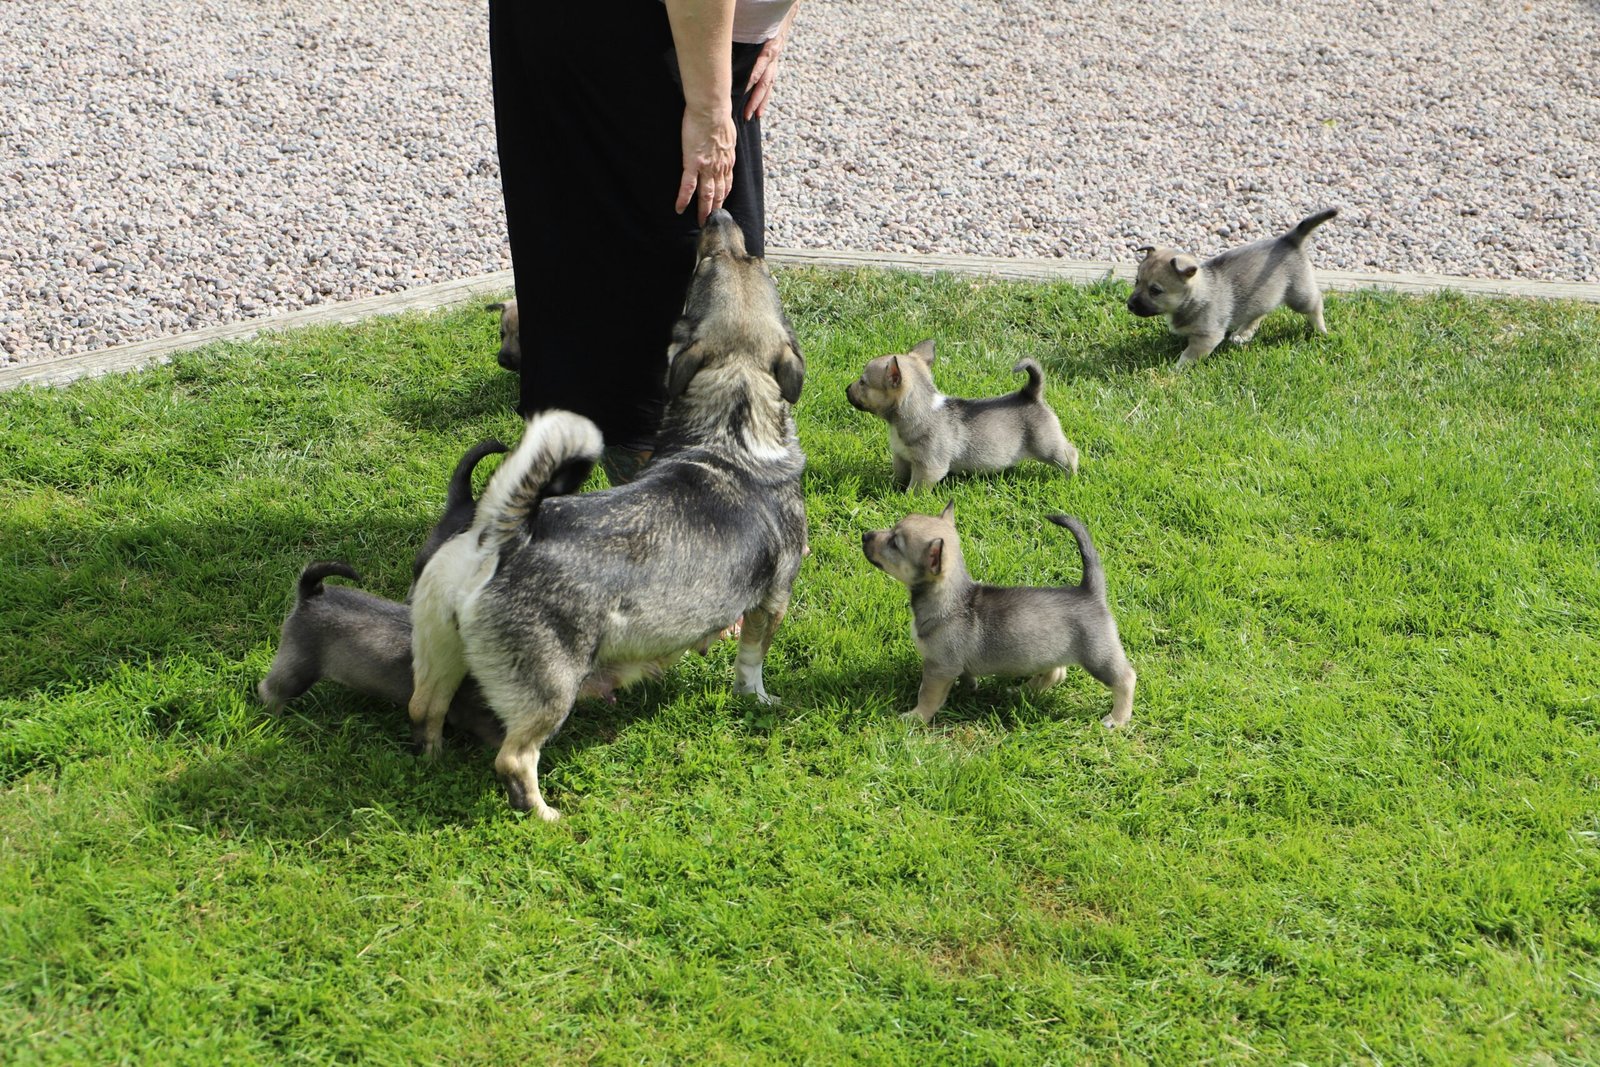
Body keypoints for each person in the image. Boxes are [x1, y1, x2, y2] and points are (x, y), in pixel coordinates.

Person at [488, 0, 800, 482]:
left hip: (704, 35)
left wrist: (775, 27)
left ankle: (705, 482)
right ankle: (653, 494)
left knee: (710, 243)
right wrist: (710, 108)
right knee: (670, 252)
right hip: (640, 28)